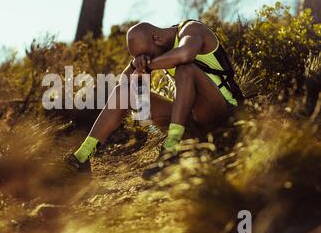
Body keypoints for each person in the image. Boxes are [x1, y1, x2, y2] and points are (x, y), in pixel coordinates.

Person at [64, 19, 244, 179]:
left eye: (149, 56)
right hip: (190, 123)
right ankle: (82, 156)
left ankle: (170, 151)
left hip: (225, 115)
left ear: (157, 38)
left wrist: (148, 66)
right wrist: (134, 65)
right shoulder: (155, 49)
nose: (150, 62)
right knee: (124, 92)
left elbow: (185, 54)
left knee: (185, 69)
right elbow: (125, 84)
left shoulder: (192, 30)